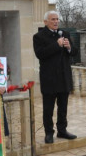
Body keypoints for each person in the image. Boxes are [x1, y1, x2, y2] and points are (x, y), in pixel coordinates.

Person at [33, 11, 78, 144]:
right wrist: (56, 45)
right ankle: (48, 133)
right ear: (46, 21)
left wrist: (69, 48)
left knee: (63, 107)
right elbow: (40, 54)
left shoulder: (65, 34)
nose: (56, 21)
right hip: (49, 79)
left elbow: (74, 52)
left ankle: (62, 130)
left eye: (57, 19)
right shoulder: (38, 37)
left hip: (64, 77)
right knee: (48, 108)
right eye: (53, 19)